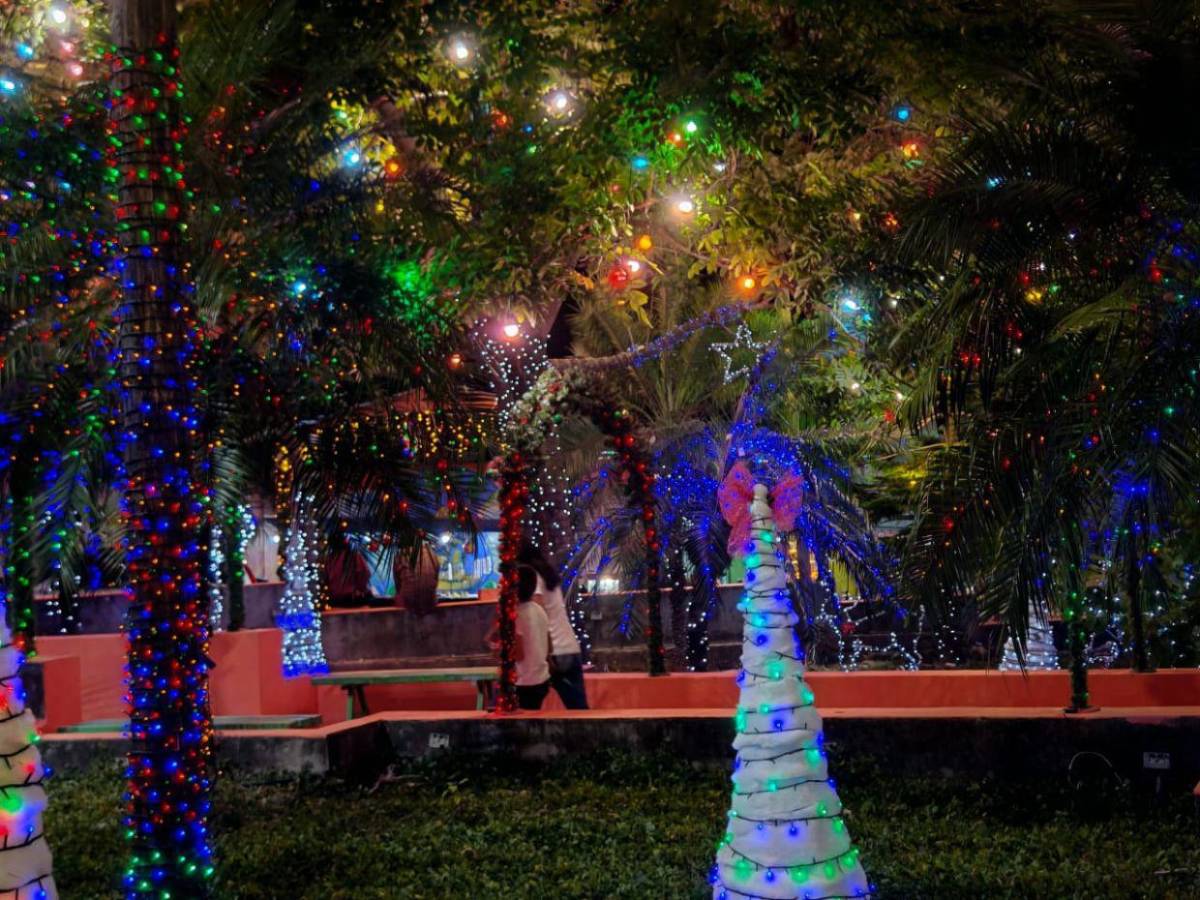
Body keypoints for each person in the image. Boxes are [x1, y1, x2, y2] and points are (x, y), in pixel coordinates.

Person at [520, 545, 589, 709]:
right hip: (569, 647)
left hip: (553, 652)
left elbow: (537, 616)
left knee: (527, 706)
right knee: (578, 708)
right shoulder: (548, 576)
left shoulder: (532, 579)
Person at [514, 564, 551, 710]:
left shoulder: (517, 614)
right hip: (542, 678)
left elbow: (519, 654)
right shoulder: (539, 610)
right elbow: (549, 645)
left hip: (525, 681)